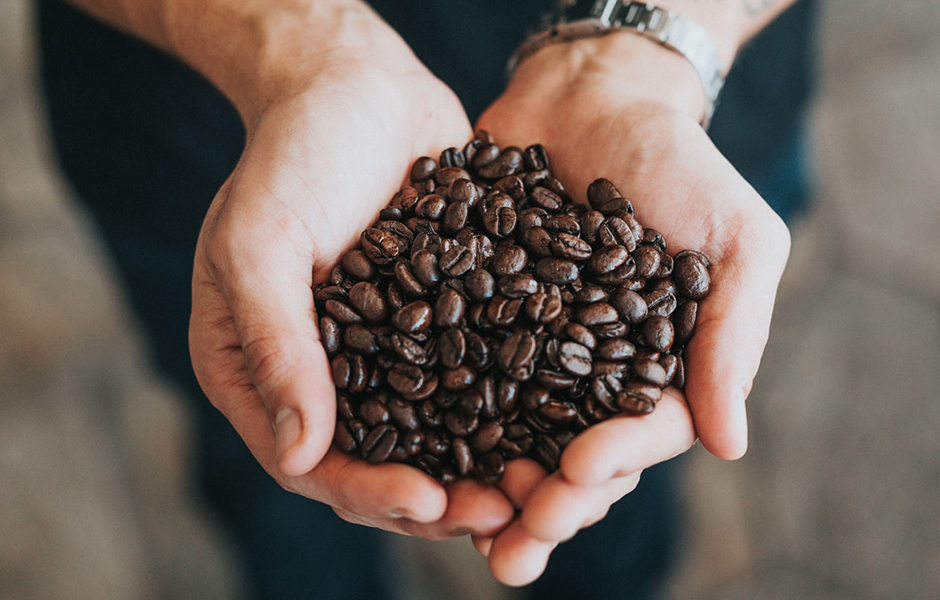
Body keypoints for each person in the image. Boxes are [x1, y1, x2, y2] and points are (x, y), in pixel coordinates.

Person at [38, 0, 814, 597]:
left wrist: (658, 41)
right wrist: (295, 42)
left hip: (677, 103)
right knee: (279, 452)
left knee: (609, 495)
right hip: (216, 109)